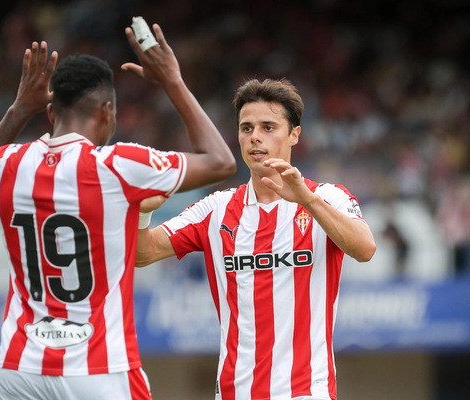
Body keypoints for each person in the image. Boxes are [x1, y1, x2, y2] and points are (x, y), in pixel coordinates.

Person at [0, 22, 236, 400]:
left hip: (19, 368)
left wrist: (19, 109)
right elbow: (220, 162)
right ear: (107, 112)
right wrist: (172, 81)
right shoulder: (118, 166)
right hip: (99, 369)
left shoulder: (4, 164)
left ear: (50, 113)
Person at [136, 78, 376, 400]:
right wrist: (142, 212)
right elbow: (143, 253)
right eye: (246, 128)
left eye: (268, 127)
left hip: (306, 392)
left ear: (294, 134)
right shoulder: (216, 209)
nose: (255, 137)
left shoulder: (327, 197)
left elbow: (365, 248)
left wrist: (308, 200)